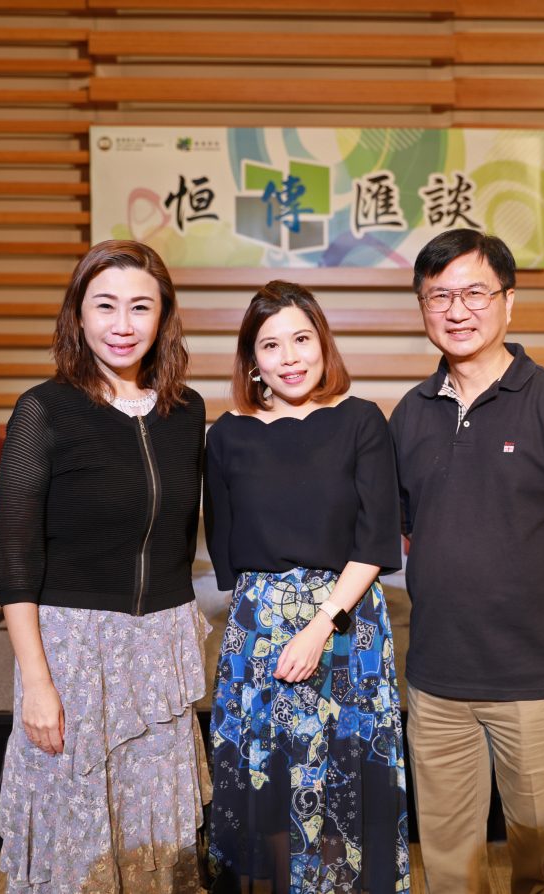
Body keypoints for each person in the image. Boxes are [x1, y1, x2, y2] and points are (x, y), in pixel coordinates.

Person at [388, 229, 544, 894]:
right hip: (436, 682)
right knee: (450, 864)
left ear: (508, 302)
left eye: (473, 293)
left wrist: (523, 582)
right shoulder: (410, 413)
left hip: (533, 681)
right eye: (439, 296)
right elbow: (408, 535)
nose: (456, 310)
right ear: (423, 307)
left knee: (537, 864)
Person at [0, 240, 210, 894]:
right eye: (105, 305)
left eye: (140, 307)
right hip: (73, 652)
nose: (122, 324)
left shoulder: (186, 410)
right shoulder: (44, 411)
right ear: (77, 317)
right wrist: (36, 681)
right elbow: (12, 560)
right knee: (75, 837)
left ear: (163, 316)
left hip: (161, 646)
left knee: (156, 836)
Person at [204, 281, 410, 894]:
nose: (289, 357)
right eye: (271, 345)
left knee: (341, 782)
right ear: (251, 359)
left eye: (301, 338)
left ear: (323, 343)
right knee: (263, 780)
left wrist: (321, 625)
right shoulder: (226, 434)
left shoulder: (361, 420)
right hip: (259, 629)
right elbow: (226, 542)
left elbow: (376, 541)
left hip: (346, 624)